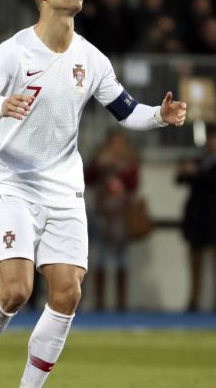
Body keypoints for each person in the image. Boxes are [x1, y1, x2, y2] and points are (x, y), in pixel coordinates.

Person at [0, 0, 186, 388]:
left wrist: (160, 116)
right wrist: (0, 105)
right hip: (14, 184)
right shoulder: (14, 51)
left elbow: (127, 113)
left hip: (65, 190)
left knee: (68, 293)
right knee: (15, 292)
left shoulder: (91, 58)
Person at [176, 125, 216, 312]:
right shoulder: (201, 160)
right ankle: (194, 299)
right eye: (211, 138)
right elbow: (180, 179)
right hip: (197, 216)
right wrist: (189, 171)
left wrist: (196, 173)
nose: (213, 142)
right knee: (195, 262)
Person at [84, 129, 142, 311]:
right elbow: (87, 177)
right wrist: (101, 165)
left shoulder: (130, 162)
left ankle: (120, 302)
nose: (116, 147)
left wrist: (121, 175)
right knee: (100, 256)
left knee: (121, 258)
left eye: (120, 143)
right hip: (102, 214)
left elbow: (134, 185)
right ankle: (100, 302)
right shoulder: (101, 160)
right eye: (113, 143)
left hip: (121, 216)